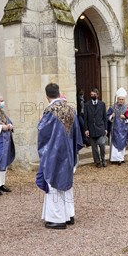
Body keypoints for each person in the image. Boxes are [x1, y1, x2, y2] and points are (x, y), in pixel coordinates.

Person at [36, 83, 83, 229]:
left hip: (54, 154)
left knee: (54, 185)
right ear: (58, 93)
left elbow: (43, 133)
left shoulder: (50, 111)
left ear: (47, 96)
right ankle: (69, 215)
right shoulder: (70, 110)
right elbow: (77, 133)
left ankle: (58, 219)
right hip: (68, 152)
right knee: (66, 185)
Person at [83, 88, 107, 167]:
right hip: (91, 128)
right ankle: (97, 162)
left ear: (97, 95)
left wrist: (106, 128)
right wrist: (86, 129)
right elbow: (85, 119)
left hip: (100, 128)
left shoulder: (102, 104)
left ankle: (103, 159)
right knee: (94, 147)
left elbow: (105, 117)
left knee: (102, 144)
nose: (92, 96)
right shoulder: (86, 105)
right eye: (91, 95)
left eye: (94, 95)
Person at [107, 88, 128, 164]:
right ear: (117, 99)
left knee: (122, 142)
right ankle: (114, 159)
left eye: (122, 99)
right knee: (115, 143)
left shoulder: (127, 108)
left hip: (123, 129)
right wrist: (111, 116)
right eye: (120, 99)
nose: (121, 101)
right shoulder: (113, 107)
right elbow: (107, 117)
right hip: (115, 128)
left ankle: (121, 158)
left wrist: (125, 117)